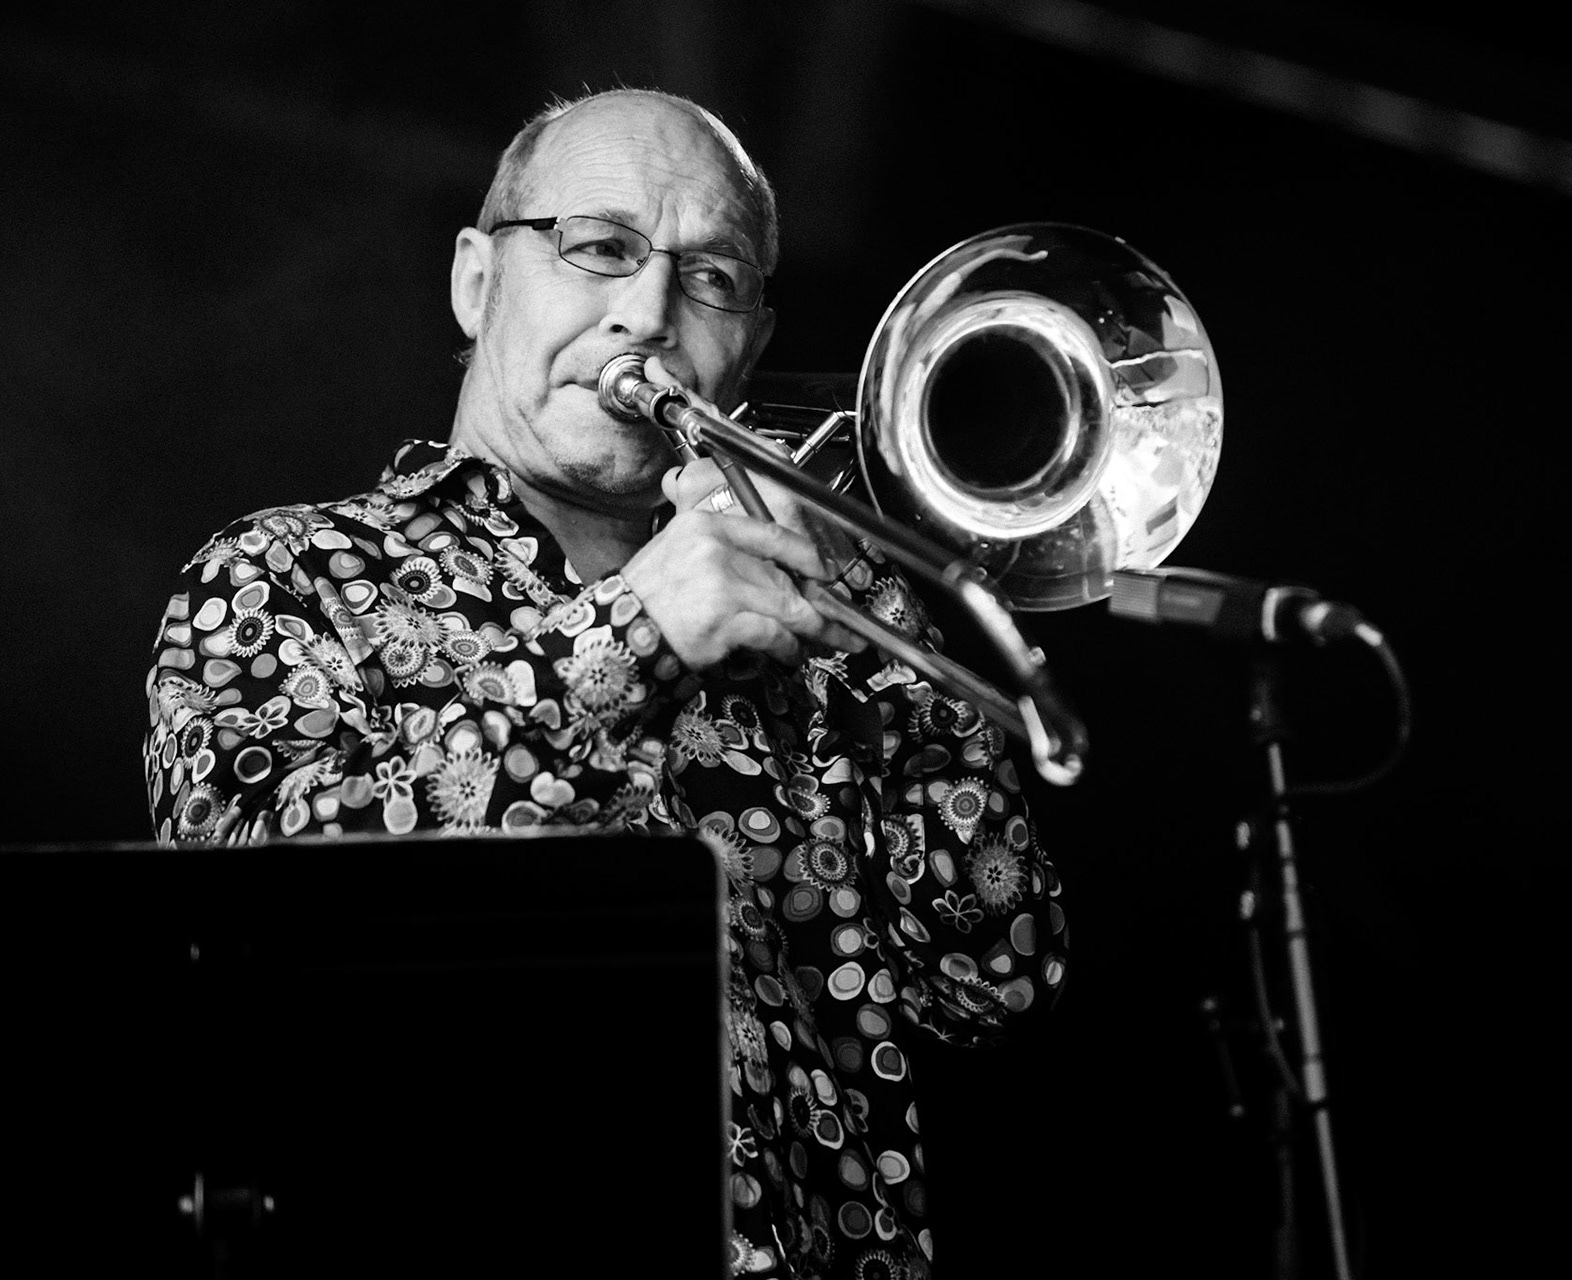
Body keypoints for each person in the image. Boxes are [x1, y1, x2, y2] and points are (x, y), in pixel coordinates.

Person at [142, 88, 1066, 1279]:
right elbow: (255, 917)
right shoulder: (285, 572)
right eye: (601, 249)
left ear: (752, 346)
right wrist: (639, 631)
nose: (650, 313)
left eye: (712, 278)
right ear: (478, 281)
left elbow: (996, 978)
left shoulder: (821, 628)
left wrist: (864, 610)